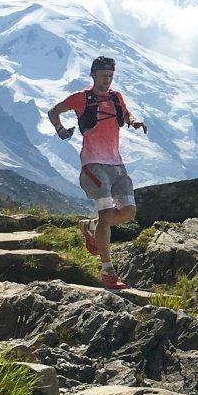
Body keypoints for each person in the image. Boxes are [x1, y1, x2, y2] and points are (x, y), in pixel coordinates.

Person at [47, 55, 147, 291]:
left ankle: (91, 227)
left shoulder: (115, 98)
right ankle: (108, 271)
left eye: (111, 76)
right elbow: (54, 111)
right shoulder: (82, 98)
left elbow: (125, 113)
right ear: (93, 75)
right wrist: (61, 129)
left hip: (116, 164)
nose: (107, 80)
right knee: (107, 216)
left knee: (129, 212)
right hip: (94, 165)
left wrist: (133, 121)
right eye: (103, 76)